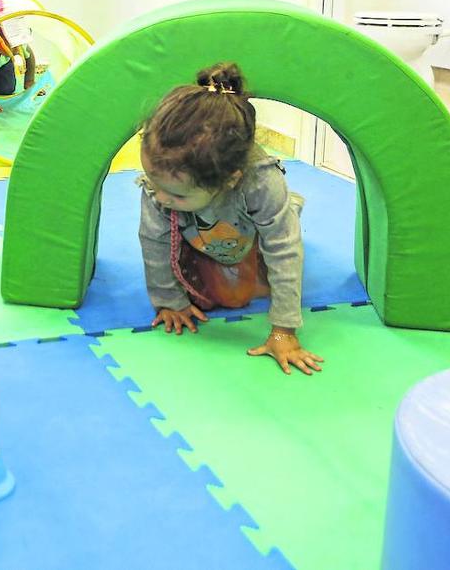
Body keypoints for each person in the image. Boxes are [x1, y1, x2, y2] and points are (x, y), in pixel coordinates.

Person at [137, 63, 323, 376]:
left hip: (246, 224)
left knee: (257, 279)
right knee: (215, 299)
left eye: (176, 195)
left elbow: (283, 248)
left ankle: (290, 207)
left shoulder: (261, 182)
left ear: (230, 180)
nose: (160, 197)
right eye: (154, 185)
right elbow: (152, 239)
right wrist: (169, 300)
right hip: (200, 229)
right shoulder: (163, 182)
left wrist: (284, 330)